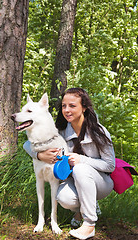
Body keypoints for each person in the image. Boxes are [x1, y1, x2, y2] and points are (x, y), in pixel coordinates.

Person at [24, 88, 115, 239]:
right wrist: (40, 155)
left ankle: (89, 224)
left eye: (72, 106)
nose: (67, 110)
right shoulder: (58, 130)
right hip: (74, 181)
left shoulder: (99, 131)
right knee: (64, 198)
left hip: (102, 183)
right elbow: (27, 144)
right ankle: (84, 208)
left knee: (80, 169)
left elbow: (110, 165)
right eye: (64, 106)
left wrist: (82, 160)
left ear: (84, 107)